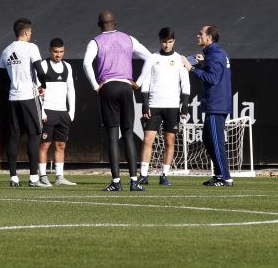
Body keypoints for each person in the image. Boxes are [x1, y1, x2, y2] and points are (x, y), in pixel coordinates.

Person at [83, 10, 152, 192]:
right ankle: (134, 181)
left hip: (108, 87)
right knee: (128, 134)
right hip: (126, 87)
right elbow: (150, 58)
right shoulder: (128, 38)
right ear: (115, 23)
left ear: (99, 25)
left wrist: (95, 85)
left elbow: (86, 63)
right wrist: (138, 82)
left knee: (112, 136)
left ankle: (115, 182)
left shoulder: (95, 41)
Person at [0, 18, 48, 187]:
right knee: (34, 135)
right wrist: (43, 85)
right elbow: (40, 69)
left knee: (14, 137)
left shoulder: (6, 50)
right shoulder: (31, 48)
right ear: (26, 32)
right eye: (30, 32)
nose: (31, 35)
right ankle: (33, 178)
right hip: (28, 97)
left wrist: (12, 86)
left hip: (13, 98)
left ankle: (13, 178)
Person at [182, 25, 233, 187]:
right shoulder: (216, 54)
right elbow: (214, 73)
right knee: (207, 139)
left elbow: (212, 79)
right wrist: (203, 63)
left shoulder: (215, 55)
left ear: (209, 38)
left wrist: (191, 68)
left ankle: (226, 178)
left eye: (201, 34)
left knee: (216, 141)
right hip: (216, 103)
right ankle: (219, 175)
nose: (197, 35)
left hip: (216, 105)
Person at [138, 27, 190, 186]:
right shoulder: (152, 58)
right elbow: (145, 80)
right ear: (159, 41)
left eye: (170, 42)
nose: (167, 45)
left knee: (170, 140)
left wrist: (185, 106)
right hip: (154, 105)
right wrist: (145, 103)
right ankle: (144, 175)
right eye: (164, 42)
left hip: (172, 106)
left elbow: (185, 84)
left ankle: (164, 175)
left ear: (174, 41)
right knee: (148, 139)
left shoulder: (180, 59)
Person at [37, 38, 76, 186]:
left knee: (61, 145)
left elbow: (70, 89)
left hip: (63, 113)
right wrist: (42, 112)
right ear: (50, 50)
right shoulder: (43, 65)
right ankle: (43, 176)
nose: (58, 55)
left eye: (61, 52)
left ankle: (59, 177)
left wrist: (71, 112)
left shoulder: (67, 66)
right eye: (55, 52)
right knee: (44, 145)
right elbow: (37, 89)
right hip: (48, 111)